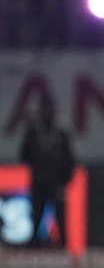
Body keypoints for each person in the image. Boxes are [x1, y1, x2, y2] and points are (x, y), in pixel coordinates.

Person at [20, 93, 75, 249]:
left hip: (57, 182)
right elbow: (24, 154)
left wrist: (64, 181)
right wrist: (36, 169)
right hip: (38, 181)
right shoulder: (33, 129)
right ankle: (34, 247)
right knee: (36, 216)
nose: (46, 111)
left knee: (60, 217)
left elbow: (70, 158)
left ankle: (63, 248)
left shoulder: (61, 130)